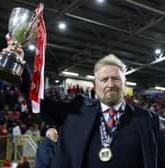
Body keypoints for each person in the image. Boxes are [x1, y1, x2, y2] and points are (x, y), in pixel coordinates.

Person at [21, 54, 165, 168]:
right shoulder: (75, 111)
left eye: (115, 79)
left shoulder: (148, 119)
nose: (110, 84)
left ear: (125, 84)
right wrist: (21, 69)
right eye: (104, 80)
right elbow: (41, 104)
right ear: (95, 86)